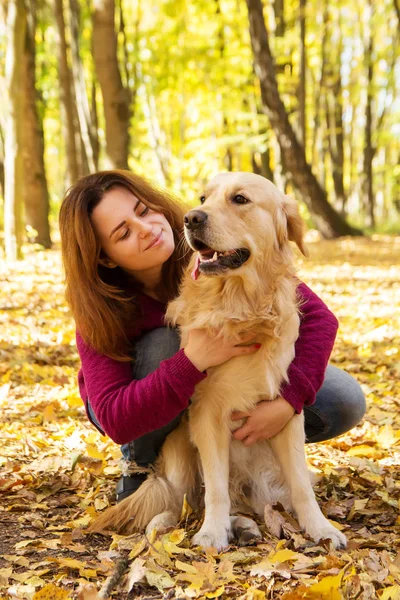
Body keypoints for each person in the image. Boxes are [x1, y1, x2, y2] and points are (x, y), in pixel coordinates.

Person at [59, 170, 366, 502]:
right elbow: (115, 418)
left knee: (342, 398)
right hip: (135, 403)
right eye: (124, 233)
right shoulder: (99, 310)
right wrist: (193, 359)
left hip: (224, 384)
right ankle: (142, 464)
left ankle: (242, 461)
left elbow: (319, 319)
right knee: (163, 342)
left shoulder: (212, 241)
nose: (148, 229)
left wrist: (287, 401)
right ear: (105, 256)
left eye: (144, 210)